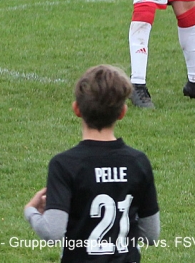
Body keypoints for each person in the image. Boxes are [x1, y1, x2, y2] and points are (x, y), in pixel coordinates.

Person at [24, 65, 160, 261]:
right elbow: (151, 235)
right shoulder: (138, 162)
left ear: (76, 109)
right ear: (122, 112)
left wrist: (30, 211)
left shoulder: (64, 164)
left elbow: (53, 232)